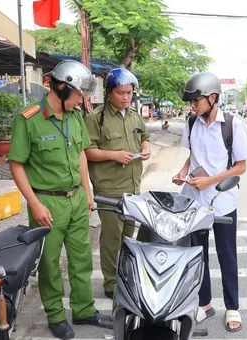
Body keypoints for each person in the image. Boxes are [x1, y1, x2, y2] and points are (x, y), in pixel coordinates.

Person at [8, 60, 112, 339]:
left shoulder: (75, 116)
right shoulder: (29, 119)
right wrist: (34, 204)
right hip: (47, 203)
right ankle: (55, 315)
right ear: (63, 87)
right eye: (79, 94)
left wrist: (87, 192)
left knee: (81, 259)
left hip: (76, 199)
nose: (82, 100)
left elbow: (80, 153)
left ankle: (83, 310)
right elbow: (16, 164)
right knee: (50, 263)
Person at [172, 71, 247, 332]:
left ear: (212, 98)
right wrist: (183, 173)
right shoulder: (192, 123)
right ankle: (204, 304)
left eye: (196, 101)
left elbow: (240, 167)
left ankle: (232, 307)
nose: (192, 106)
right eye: (191, 102)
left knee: (227, 256)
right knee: (198, 254)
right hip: (194, 201)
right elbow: (192, 156)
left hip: (223, 201)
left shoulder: (233, 125)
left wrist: (211, 180)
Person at [84, 68, 151, 302]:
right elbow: (88, 152)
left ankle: (125, 275)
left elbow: (145, 137)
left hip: (133, 187)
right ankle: (111, 283)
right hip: (109, 189)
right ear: (109, 92)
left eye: (129, 93)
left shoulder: (134, 115)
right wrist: (114, 155)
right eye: (120, 93)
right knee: (112, 238)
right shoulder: (96, 118)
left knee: (129, 237)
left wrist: (145, 150)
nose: (125, 97)